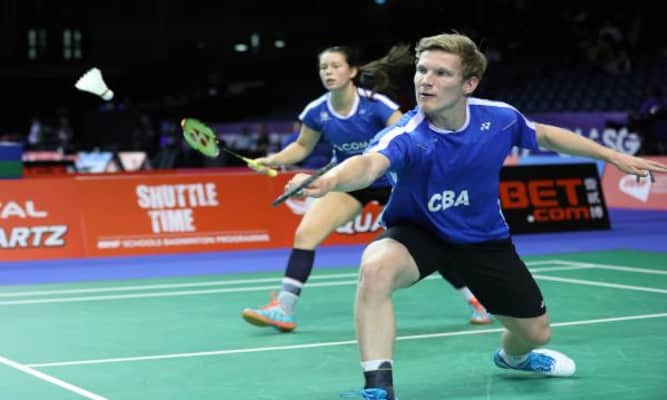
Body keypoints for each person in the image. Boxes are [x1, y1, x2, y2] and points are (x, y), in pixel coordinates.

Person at [286, 33, 667, 399]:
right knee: (375, 268)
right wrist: (329, 180)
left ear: (469, 83)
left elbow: (546, 135)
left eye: (441, 73)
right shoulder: (407, 133)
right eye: (422, 70)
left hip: (483, 240)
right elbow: (369, 164)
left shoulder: (498, 118)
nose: (426, 81)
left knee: (536, 334)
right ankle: (378, 387)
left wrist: (612, 156)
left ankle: (514, 358)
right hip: (420, 232)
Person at [242, 43, 493, 333]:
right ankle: (284, 308)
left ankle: (477, 299)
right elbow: (302, 146)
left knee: (428, 242)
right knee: (306, 233)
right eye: (323, 67)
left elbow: (410, 133)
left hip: (394, 180)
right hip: (353, 181)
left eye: (335, 66)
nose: (328, 72)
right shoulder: (317, 110)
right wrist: (272, 160)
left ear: (351, 71)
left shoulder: (375, 104)